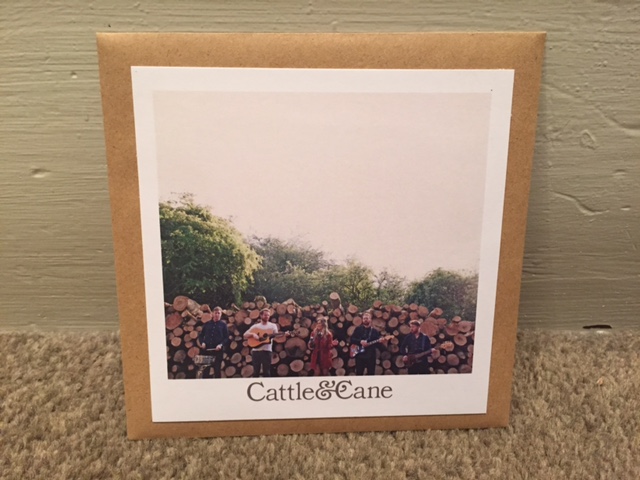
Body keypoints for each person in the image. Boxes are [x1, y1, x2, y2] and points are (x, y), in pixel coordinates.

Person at [243, 308, 279, 377]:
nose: (267, 317)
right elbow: (245, 334)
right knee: (256, 372)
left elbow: (276, 335)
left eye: (268, 315)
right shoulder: (256, 326)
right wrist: (253, 334)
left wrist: (284, 334)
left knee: (267, 372)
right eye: (265, 315)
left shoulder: (273, 326)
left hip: (267, 351)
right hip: (256, 351)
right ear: (261, 315)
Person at [196, 306, 229, 378]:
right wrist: (202, 343)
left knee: (217, 371)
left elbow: (226, 338)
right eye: (215, 313)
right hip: (207, 351)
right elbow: (201, 335)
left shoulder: (223, 325)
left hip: (218, 352)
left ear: (221, 314)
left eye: (218, 313)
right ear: (213, 314)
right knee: (205, 372)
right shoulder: (207, 324)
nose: (217, 315)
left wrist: (220, 345)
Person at [349, 311, 385, 375]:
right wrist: (360, 342)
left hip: (370, 356)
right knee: (359, 373)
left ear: (370, 320)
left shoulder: (374, 331)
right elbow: (352, 339)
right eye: (364, 318)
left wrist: (380, 342)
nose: (365, 320)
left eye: (367, 318)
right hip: (359, 355)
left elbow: (377, 345)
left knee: (371, 374)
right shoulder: (358, 329)